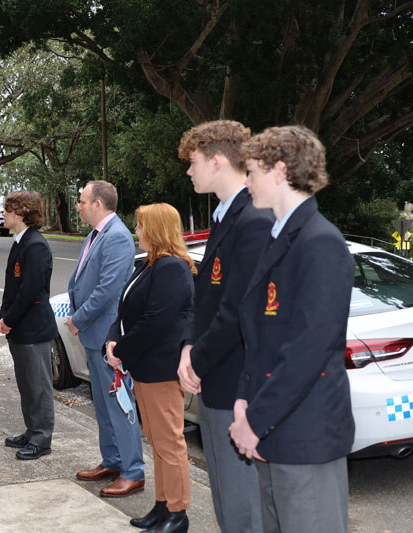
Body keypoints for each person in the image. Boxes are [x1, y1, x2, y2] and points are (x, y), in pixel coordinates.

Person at [229, 125, 355, 532]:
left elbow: (307, 352)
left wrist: (254, 421)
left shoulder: (320, 243)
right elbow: (259, 339)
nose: (246, 181)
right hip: (274, 432)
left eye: (252, 171)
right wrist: (243, 400)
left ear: (280, 171)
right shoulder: (279, 238)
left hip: (304, 437)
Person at [175, 120, 273, 532]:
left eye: (193, 161)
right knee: (225, 500)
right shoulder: (226, 217)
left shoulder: (253, 219)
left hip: (235, 383)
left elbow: (237, 312)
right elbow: (204, 300)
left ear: (217, 161)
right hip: (215, 379)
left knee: (242, 506)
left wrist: (196, 360)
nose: (188, 170)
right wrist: (188, 346)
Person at [106, 203, 195, 533]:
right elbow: (125, 311)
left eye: (141, 226)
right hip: (145, 367)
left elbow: (155, 320)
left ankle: (177, 513)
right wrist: (112, 341)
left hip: (161, 369)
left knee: (169, 443)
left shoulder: (172, 267)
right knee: (157, 441)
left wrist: (121, 350)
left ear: (156, 230)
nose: (137, 231)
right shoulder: (149, 264)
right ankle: (163, 504)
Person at [68, 180, 145, 498]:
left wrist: (78, 318)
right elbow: (83, 280)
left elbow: (108, 289)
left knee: (119, 406)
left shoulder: (117, 237)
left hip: (108, 337)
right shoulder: (96, 234)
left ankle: (133, 472)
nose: (78, 206)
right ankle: (113, 461)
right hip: (94, 337)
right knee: (103, 406)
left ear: (98, 204)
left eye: (82, 201)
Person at [0, 190, 58, 460]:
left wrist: (9, 319)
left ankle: (42, 439)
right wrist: (5, 317)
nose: (3, 214)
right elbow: (12, 287)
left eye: (7, 209)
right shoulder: (20, 241)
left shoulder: (35, 245)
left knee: (39, 387)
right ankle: (32, 430)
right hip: (20, 328)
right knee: (26, 385)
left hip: (33, 328)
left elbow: (30, 291)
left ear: (21, 213)